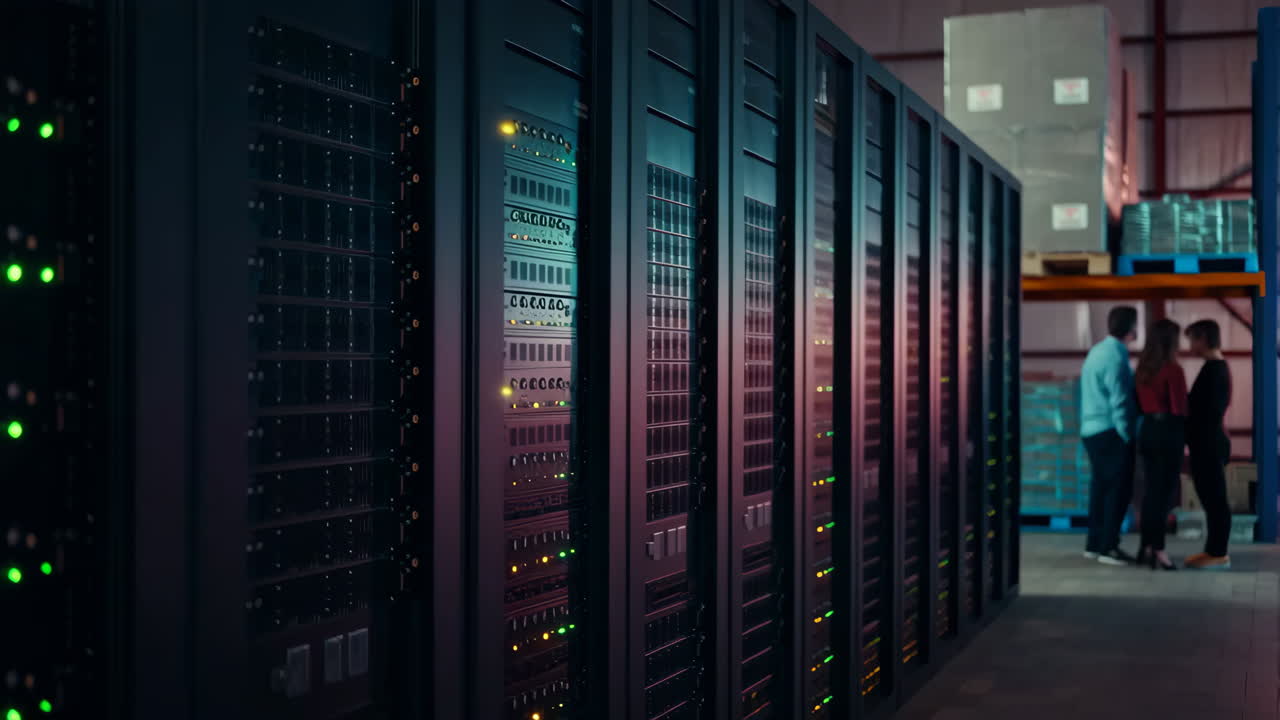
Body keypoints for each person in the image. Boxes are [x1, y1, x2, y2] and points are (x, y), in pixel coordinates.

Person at [1080, 306, 1139, 565]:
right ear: (1131, 329)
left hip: (1091, 431)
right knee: (1118, 490)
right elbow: (1121, 401)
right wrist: (1128, 435)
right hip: (1109, 431)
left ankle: (1094, 544)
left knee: (1100, 489)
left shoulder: (1097, 351)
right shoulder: (1117, 356)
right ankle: (1108, 547)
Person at [1133, 319, 1187, 570]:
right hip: (1169, 432)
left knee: (1150, 494)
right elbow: (1179, 408)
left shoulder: (1142, 368)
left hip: (1148, 431)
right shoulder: (1173, 370)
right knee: (1163, 496)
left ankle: (1145, 546)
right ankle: (1159, 549)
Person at [1183, 319, 1233, 570]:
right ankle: (1213, 549)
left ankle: (1218, 553)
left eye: (1192, 338)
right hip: (1207, 443)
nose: (1190, 345)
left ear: (1204, 338)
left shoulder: (1215, 369)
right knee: (1210, 498)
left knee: (1215, 500)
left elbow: (1206, 411)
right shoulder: (1212, 368)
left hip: (1210, 445)